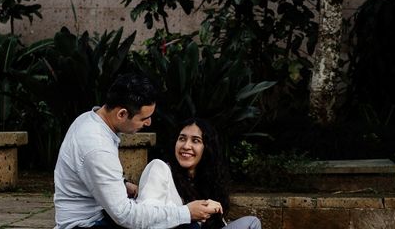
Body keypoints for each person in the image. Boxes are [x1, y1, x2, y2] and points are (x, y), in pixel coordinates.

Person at [54, 72, 219, 229]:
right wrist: (186, 212)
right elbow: (125, 216)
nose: (148, 123)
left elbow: (88, 174)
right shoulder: (97, 146)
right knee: (183, 224)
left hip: (98, 216)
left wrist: (123, 185)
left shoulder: (89, 119)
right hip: (87, 224)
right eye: (144, 118)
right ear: (122, 114)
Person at [137, 117, 261, 229]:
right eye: (182, 139)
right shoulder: (159, 168)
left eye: (195, 141)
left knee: (252, 222)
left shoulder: (207, 181)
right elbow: (146, 217)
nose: (186, 146)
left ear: (206, 148)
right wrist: (188, 212)